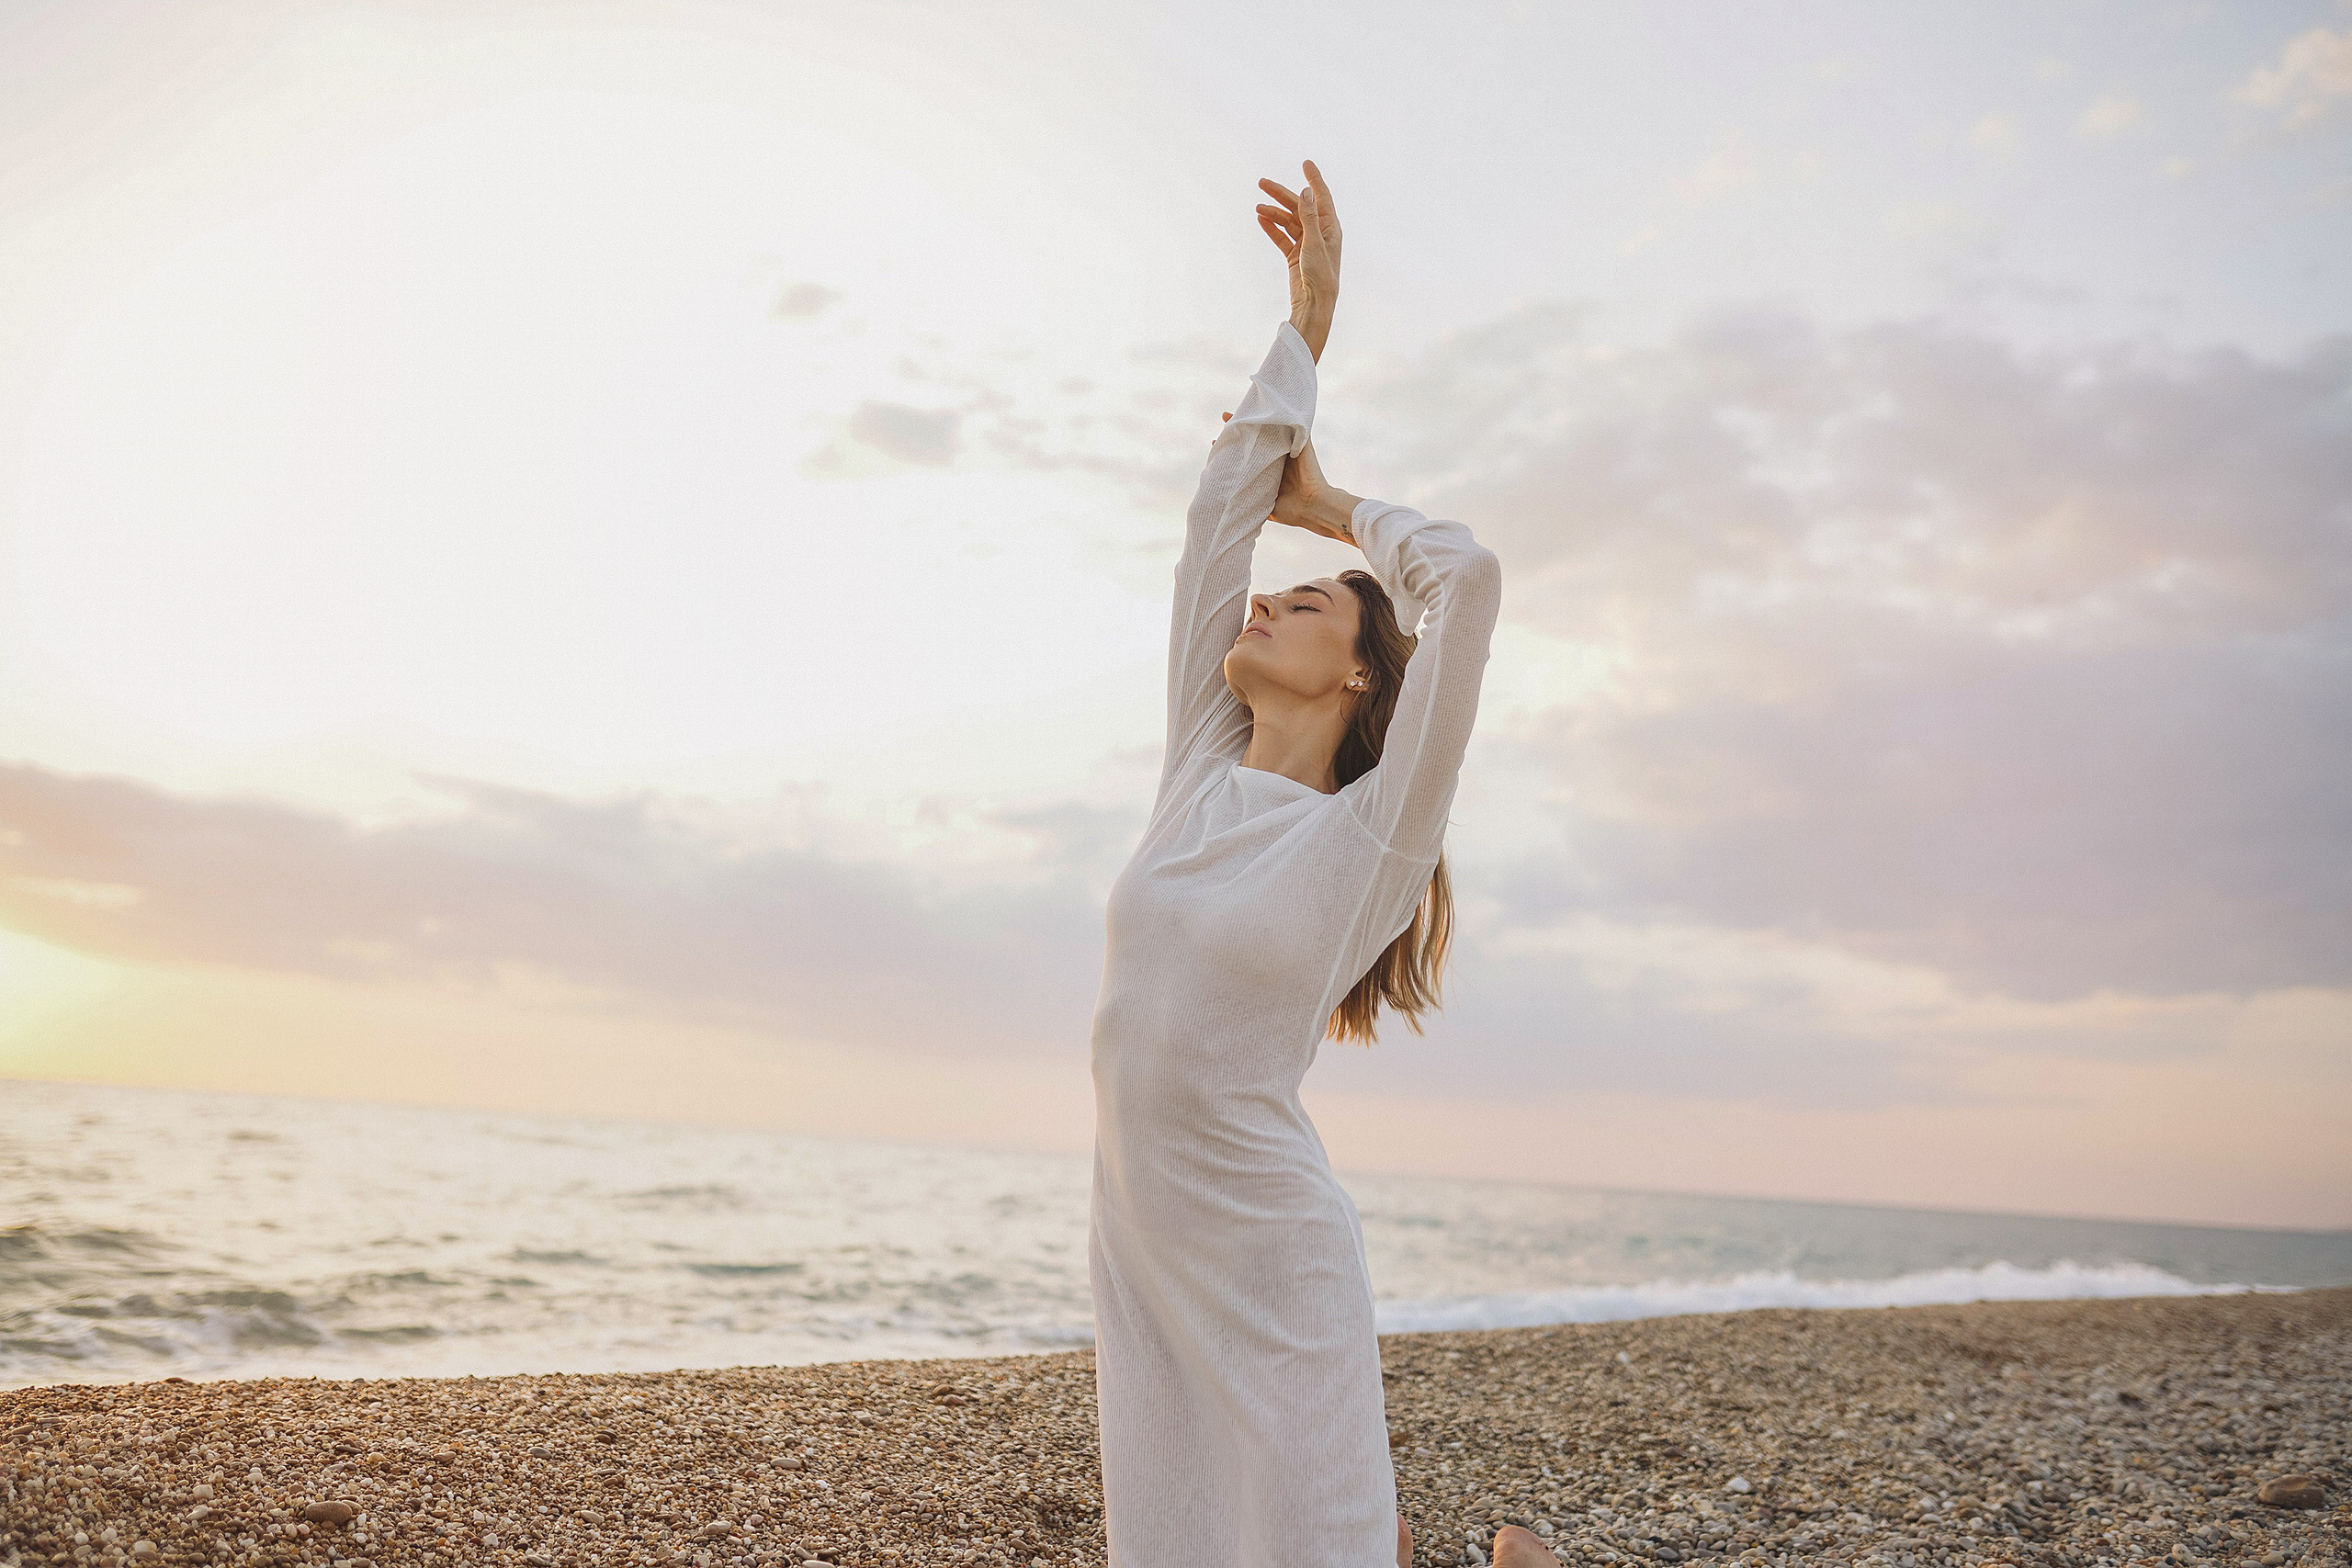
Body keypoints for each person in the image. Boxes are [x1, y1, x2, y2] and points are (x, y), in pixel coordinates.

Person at [1085, 163, 1538, 1568]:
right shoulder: (1197, 775)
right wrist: (1305, 341)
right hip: (1146, 1247)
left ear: (1358, 677)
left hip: (1274, 1263)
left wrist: (1337, 510)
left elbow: (1464, 580)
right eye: (1275, 585)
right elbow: (1219, 516)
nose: (1270, 594)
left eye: (1311, 601)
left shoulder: (1368, 840)